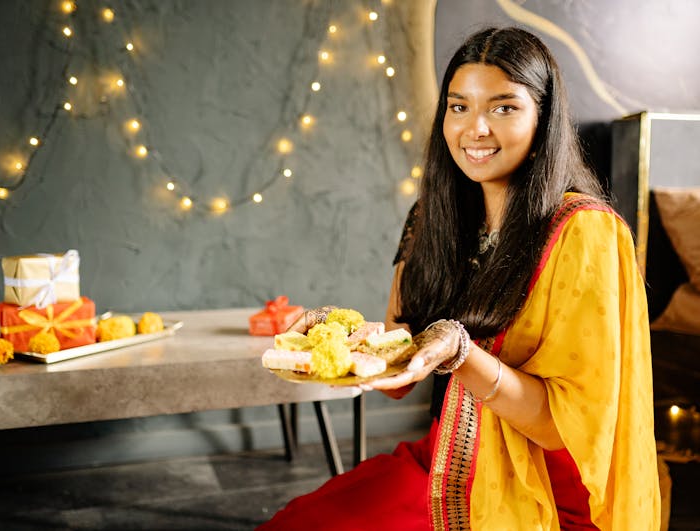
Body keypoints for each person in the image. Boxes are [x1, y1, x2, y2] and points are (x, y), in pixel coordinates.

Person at [259, 26, 660, 530]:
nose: (476, 129)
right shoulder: (431, 217)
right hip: (446, 456)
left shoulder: (584, 233)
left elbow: (562, 428)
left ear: (545, 120)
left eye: (503, 107)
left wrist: (461, 354)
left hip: (544, 486)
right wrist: (336, 336)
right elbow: (399, 379)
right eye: (458, 106)